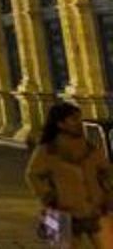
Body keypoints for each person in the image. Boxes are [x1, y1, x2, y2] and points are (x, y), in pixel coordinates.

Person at [27, 101, 113, 247]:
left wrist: (107, 194)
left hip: (96, 209)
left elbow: (106, 171)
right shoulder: (47, 150)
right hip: (60, 211)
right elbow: (33, 175)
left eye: (79, 118)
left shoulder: (89, 148)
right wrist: (49, 197)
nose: (79, 123)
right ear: (60, 124)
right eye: (73, 119)